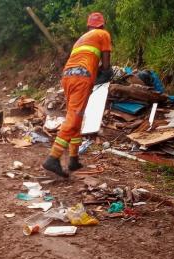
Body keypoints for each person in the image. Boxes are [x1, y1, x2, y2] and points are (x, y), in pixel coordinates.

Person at [43, 12, 113, 177]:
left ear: (88, 26)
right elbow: (106, 61)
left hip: (68, 76)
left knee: (76, 116)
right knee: (74, 118)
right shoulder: (103, 34)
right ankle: (53, 158)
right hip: (82, 76)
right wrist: (106, 72)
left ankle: (73, 158)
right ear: (102, 25)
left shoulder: (81, 39)